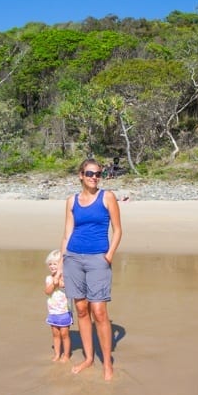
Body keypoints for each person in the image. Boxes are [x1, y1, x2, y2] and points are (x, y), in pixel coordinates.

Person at [58, 158, 122, 381]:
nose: (94, 177)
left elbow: (118, 230)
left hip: (98, 259)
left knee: (99, 311)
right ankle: (88, 358)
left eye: (97, 174)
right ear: (81, 175)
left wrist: (108, 256)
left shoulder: (107, 197)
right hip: (73, 258)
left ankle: (107, 363)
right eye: (89, 173)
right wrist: (60, 264)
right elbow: (67, 234)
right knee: (82, 310)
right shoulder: (71, 201)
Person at [44, 249, 72, 362]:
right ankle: (57, 354)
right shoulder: (49, 278)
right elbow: (47, 291)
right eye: (50, 264)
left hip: (64, 310)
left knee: (64, 334)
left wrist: (60, 283)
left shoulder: (66, 277)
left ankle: (66, 355)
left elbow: (68, 288)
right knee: (55, 334)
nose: (52, 266)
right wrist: (54, 284)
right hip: (53, 311)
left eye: (55, 264)